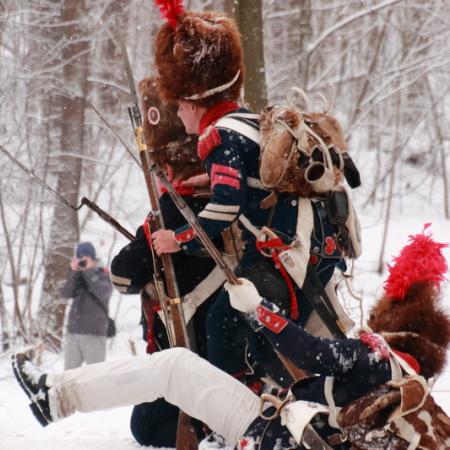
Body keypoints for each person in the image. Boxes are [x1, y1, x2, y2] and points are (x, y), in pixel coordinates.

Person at [11, 230, 450, 448]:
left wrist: (256, 310)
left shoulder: (377, 354)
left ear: (398, 319)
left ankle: (56, 398)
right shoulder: (410, 380)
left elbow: (315, 353)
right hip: (285, 432)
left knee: (174, 366)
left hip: (276, 436)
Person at [150, 4, 359, 385]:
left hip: (286, 255)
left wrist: (176, 239)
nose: (178, 116)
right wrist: (206, 183)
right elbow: (248, 183)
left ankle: (233, 415)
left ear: (194, 102)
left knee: (225, 320)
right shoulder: (246, 119)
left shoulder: (219, 136)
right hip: (316, 245)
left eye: (179, 106)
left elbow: (227, 207)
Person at [109, 77, 225, 447]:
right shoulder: (231, 202)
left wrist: (147, 243)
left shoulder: (168, 216)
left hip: (193, 366)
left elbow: (120, 276)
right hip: (235, 361)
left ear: (168, 172)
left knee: (145, 426)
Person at [60, 241, 113, 370]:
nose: (82, 262)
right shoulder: (78, 276)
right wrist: (74, 272)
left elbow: (103, 292)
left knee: (95, 376)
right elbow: (65, 292)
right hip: (74, 332)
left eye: (84, 259)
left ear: (93, 258)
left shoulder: (103, 274)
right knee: (69, 377)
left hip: (94, 332)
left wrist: (88, 271)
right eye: (79, 259)